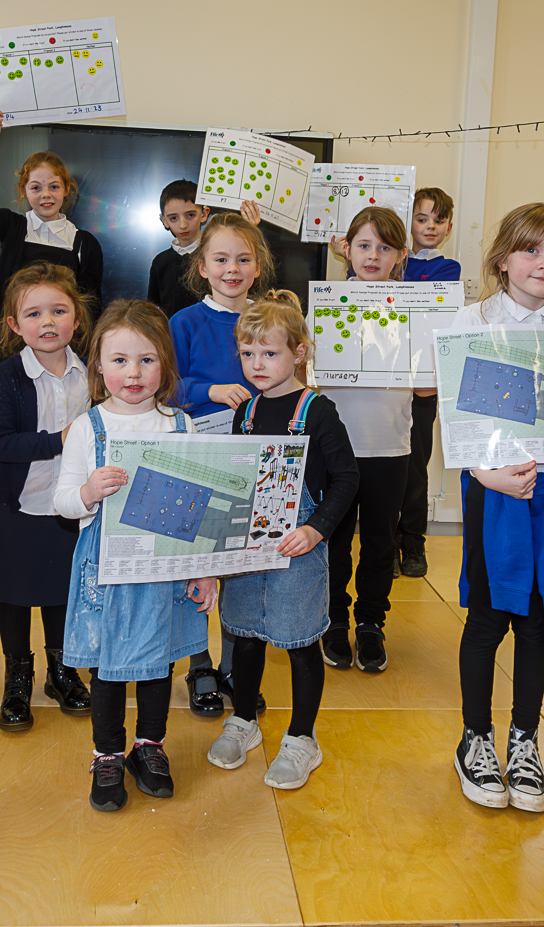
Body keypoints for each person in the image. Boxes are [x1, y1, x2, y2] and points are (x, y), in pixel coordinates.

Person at [450, 203, 544, 814]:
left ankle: (524, 740)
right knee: (489, 619)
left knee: (539, 620)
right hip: (494, 492)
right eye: (532, 249)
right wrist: (485, 473)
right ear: (502, 258)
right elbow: (457, 419)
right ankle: (475, 740)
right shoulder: (473, 320)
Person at [53, 300, 217, 811]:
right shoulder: (88, 427)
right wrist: (89, 490)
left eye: (147, 360)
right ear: (98, 365)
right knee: (107, 666)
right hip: (107, 571)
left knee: (157, 663)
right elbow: (60, 502)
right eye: (120, 360)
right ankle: (107, 753)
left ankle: (149, 745)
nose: (133, 372)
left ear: (165, 365)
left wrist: (207, 573)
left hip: (165, 569)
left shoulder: (181, 426)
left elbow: (201, 515)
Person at [205, 292, 358, 790]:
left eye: (269, 353)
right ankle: (244, 720)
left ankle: (301, 738)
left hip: (299, 546)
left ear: (299, 352)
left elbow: (347, 479)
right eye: (247, 354)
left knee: (298, 640)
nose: (257, 364)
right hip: (249, 545)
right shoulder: (243, 413)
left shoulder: (318, 410)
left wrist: (316, 530)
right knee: (244, 634)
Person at [0, 263, 96, 730]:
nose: (47, 322)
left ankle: (61, 671)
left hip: (74, 508)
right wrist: (61, 438)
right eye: (34, 313)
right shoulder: (7, 377)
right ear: (15, 325)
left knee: (63, 593)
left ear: (77, 319)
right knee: (15, 597)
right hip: (19, 507)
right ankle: (18, 674)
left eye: (59, 310)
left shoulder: (93, 375)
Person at [169, 210, 275, 713]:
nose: (232, 268)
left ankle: (235, 664)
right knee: (200, 563)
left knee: (241, 565)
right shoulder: (185, 322)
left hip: (255, 460)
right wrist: (208, 390)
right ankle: (199, 667)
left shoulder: (268, 320)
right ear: (203, 267)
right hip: (199, 458)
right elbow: (163, 384)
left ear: (258, 266)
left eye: (243, 259)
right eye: (221, 259)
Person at [316, 207, 416, 673]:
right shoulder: (328, 301)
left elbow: (432, 384)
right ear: (346, 249)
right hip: (335, 445)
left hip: (390, 444)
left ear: (400, 254)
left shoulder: (418, 309)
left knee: (380, 540)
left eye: (385, 247)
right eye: (364, 245)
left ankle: (371, 623)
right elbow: (306, 371)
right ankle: (334, 621)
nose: (373, 255)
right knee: (334, 538)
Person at [0, 100, 103, 320]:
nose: (46, 194)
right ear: (24, 191)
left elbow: (91, 309)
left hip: (64, 348)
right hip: (13, 343)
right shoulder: (12, 227)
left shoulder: (86, 245)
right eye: (36, 187)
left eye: (54, 186)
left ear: (67, 189)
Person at [395, 187, 463, 579]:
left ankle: (413, 542)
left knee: (416, 468)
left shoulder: (447, 269)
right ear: (410, 223)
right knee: (387, 468)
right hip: (386, 383)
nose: (430, 226)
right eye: (421, 219)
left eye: (437, 220)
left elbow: (424, 303)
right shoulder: (391, 261)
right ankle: (387, 542)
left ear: (449, 227)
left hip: (423, 383)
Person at [147, 180, 207, 319]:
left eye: (190, 215)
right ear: (164, 221)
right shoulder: (160, 262)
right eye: (174, 218)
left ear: (204, 214)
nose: (183, 225)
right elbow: (152, 307)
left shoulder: (214, 257)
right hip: (170, 336)